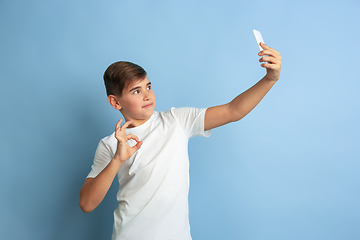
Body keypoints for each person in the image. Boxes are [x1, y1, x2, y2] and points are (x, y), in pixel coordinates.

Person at [79, 42, 282, 240]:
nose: (147, 95)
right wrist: (117, 160)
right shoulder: (110, 144)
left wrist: (270, 79)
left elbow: (233, 110)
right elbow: (87, 204)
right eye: (136, 91)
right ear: (115, 102)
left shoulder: (176, 120)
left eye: (148, 86)